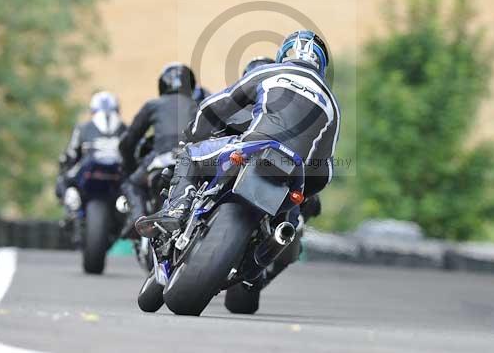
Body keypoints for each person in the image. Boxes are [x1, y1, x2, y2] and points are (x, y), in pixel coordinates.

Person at [136, 30, 339, 238]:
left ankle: (177, 209)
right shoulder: (332, 104)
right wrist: (304, 192)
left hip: (252, 147)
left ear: (285, 53)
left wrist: (193, 136)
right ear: (321, 65)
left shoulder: (271, 73)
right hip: (293, 170)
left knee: (189, 155)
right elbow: (324, 170)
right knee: (287, 225)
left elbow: (217, 105)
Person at [119, 63, 199, 235]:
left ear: (162, 84)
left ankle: (139, 220)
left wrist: (129, 166)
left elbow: (128, 141)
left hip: (161, 159)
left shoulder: (153, 105)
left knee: (132, 184)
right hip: (192, 161)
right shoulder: (199, 105)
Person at [56, 91, 126, 211]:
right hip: (96, 182)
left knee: (63, 180)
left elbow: (69, 156)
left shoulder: (83, 129)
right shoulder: (125, 129)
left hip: (117, 182)